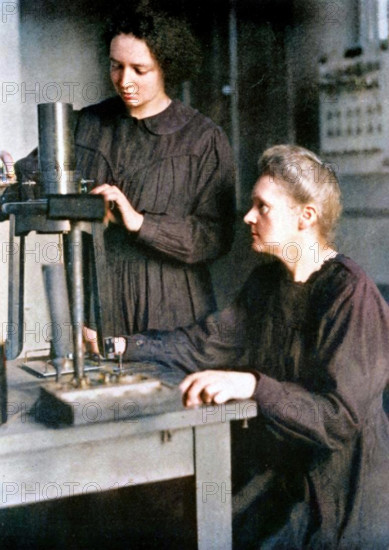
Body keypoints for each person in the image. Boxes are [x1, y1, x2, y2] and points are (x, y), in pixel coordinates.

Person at [117, 145, 389, 549]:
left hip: (342, 501)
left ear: (306, 216)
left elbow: (337, 417)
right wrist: (122, 345)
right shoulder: (266, 283)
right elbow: (203, 345)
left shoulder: (350, 293)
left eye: (262, 206)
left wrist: (252, 385)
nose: (248, 216)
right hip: (285, 483)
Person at [12, 5, 236, 341]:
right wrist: (12, 179)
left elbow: (215, 237)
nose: (124, 81)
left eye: (139, 69)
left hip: (173, 314)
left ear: (166, 66)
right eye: (116, 66)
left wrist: (139, 222)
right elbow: (29, 182)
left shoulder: (203, 140)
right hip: (96, 311)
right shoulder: (85, 126)